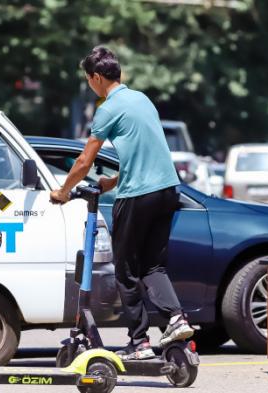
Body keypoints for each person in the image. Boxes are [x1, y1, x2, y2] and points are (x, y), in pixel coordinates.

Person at [50, 46, 194, 360]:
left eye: (88, 79)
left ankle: (139, 342)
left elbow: (84, 161)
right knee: (153, 266)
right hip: (167, 190)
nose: (90, 84)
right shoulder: (142, 99)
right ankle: (176, 318)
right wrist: (111, 182)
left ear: (97, 78)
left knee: (126, 271)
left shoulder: (107, 109)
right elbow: (146, 153)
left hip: (138, 196)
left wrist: (62, 191)